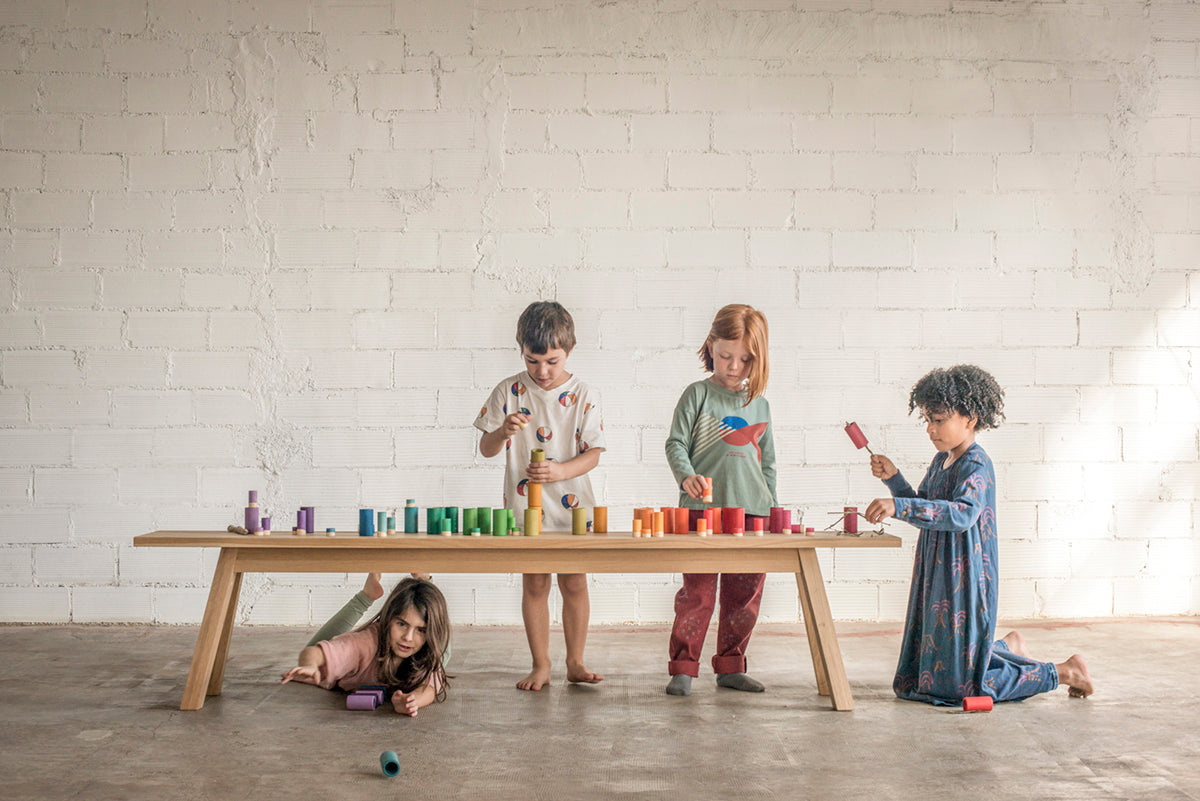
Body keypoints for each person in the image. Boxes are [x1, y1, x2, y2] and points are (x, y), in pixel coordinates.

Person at [864, 364, 1094, 705]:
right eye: (927, 419)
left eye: (939, 419)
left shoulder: (976, 464)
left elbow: (962, 514)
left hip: (965, 578)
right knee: (924, 676)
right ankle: (1007, 648)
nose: (930, 428)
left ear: (969, 418)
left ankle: (1062, 672)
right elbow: (927, 508)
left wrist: (900, 507)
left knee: (960, 689)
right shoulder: (941, 461)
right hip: (937, 575)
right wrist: (894, 480)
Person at [474, 300, 606, 691]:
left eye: (551, 360)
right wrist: (502, 432)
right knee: (534, 584)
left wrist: (561, 471)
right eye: (533, 361)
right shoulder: (509, 391)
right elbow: (486, 448)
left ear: (570, 350)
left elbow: (594, 453)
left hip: (573, 508)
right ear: (521, 351)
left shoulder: (584, 393)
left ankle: (576, 661)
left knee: (575, 583)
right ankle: (541, 664)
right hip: (525, 509)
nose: (542, 371)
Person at [663, 304, 776, 696]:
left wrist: (772, 510)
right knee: (697, 594)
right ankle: (683, 666)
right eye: (726, 355)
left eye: (745, 360)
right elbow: (676, 443)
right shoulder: (696, 395)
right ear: (710, 346)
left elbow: (769, 464)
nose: (733, 367)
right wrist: (687, 475)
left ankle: (731, 666)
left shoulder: (759, 405)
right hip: (702, 513)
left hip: (753, 514)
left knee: (744, 598)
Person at [280, 574, 450, 716]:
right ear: (388, 619)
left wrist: (412, 702)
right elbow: (313, 652)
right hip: (352, 663)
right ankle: (366, 596)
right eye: (401, 624)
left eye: (420, 630)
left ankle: (424, 580)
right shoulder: (365, 644)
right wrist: (309, 665)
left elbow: (429, 688)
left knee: (442, 654)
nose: (408, 637)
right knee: (315, 653)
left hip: (425, 648)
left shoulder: (429, 649)